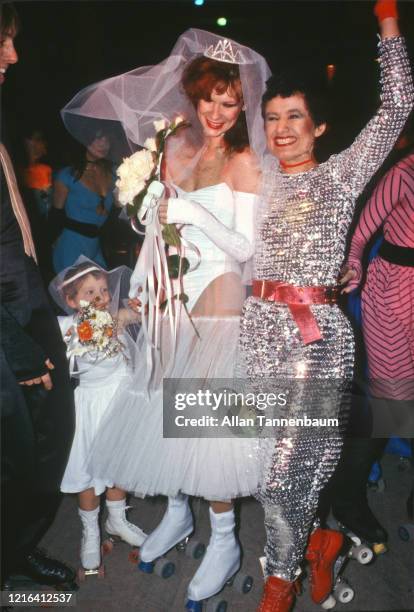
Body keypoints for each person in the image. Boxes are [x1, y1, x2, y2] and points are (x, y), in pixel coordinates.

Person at [60, 29, 270, 608]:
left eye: (231, 103)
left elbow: (245, 245)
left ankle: (225, 539)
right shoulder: (173, 150)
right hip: (172, 286)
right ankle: (178, 513)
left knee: (207, 419)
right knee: (161, 407)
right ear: (195, 96)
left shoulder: (245, 159)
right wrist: (149, 233)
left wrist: (189, 216)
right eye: (211, 99)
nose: (220, 112)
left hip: (221, 285)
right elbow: (157, 232)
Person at [236, 1, 413, 609]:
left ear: (318, 126)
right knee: (267, 465)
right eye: (273, 117)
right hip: (258, 330)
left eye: (295, 117)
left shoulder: (338, 176)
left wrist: (388, 23)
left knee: (291, 466)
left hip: (316, 336)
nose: (282, 128)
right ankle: (319, 542)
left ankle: (280, 579)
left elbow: (396, 109)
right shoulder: (257, 174)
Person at [0, 3, 76, 589]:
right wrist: (21, 352)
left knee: (50, 433)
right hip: (9, 322)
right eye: (2, 39)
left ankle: (18, 549)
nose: (13, 54)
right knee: (20, 455)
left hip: (25, 300)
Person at [334, 142, 414, 550]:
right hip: (392, 291)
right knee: (393, 401)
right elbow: (361, 232)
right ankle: (346, 496)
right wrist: (354, 267)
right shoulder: (403, 172)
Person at [48, 258, 146, 575]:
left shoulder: (114, 319)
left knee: (120, 465)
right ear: (72, 300)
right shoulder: (67, 327)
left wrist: (139, 305)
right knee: (88, 474)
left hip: (120, 401)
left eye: (103, 289)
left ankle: (117, 519)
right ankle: (91, 532)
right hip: (91, 405)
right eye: (90, 292)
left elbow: (139, 314)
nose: (100, 296)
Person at [51, 134, 115, 273]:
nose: (104, 143)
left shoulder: (114, 173)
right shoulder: (67, 175)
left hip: (96, 247)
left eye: (107, 139)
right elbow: (55, 217)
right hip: (71, 247)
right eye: (98, 137)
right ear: (84, 139)